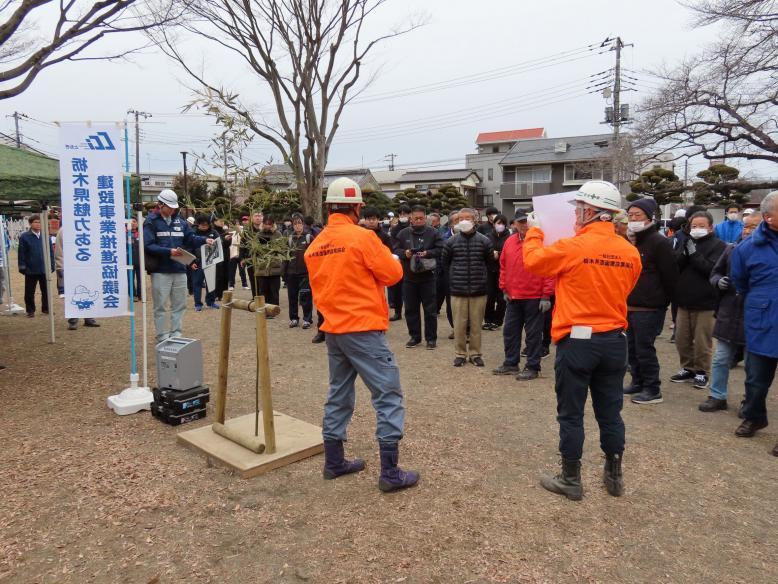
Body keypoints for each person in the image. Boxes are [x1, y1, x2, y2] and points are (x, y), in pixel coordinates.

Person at [523, 180, 641, 500]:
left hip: (578, 340)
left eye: (578, 210)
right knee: (610, 412)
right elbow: (625, 289)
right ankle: (614, 475)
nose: (575, 216)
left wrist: (534, 230)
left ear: (590, 211)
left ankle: (571, 478)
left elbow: (533, 262)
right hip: (615, 340)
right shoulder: (630, 252)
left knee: (571, 413)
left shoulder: (574, 247)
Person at [305, 177, 419, 492]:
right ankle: (390, 473)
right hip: (363, 328)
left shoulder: (315, 246)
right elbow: (393, 274)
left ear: (329, 207)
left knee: (339, 394)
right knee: (388, 395)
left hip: (333, 330)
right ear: (357, 207)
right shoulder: (363, 238)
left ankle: (334, 461)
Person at [730, 191, 778, 452]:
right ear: (769, 217)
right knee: (756, 380)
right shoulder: (748, 248)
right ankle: (755, 417)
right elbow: (741, 282)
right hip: (763, 319)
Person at [700, 212, 762, 412]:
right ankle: (717, 395)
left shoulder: (770, 252)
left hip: (755, 318)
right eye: (746, 227)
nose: (748, 231)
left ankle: (750, 402)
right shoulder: (731, 250)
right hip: (729, 312)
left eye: (753, 227)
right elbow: (715, 273)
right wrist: (719, 281)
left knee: (753, 367)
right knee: (720, 359)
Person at [623, 198, 678, 405]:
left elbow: (670, 275)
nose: (633, 219)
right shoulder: (631, 241)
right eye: (630, 215)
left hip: (650, 305)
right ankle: (637, 381)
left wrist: (665, 303)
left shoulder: (658, 241)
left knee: (645, 348)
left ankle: (652, 388)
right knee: (632, 347)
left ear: (649, 217)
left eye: (638, 215)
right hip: (630, 304)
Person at [144, 190, 213, 343]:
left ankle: (176, 334)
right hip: (160, 270)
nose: (172, 210)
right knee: (160, 306)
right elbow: (148, 245)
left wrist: (204, 240)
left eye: (174, 207)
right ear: (160, 204)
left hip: (180, 269)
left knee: (179, 305)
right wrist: (168, 251)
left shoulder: (180, 222)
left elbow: (190, 238)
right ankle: (162, 336)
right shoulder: (151, 221)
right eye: (169, 207)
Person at [493, 210, 554, 380]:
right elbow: (503, 266)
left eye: (527, 221)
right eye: (520, 221)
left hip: (535, 296)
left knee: (533, 334)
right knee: (510, 331)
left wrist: (546, 295)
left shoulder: (542, 242)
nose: (524, 225)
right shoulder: (510, 241)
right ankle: (511, 363)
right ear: (515, 223)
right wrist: (504, 287)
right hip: (514, 296)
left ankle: (533, 366)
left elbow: (550, 269)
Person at [670, 211, 727, 389]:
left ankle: (702, 372)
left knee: (702, 340)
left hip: (706, 302)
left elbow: (710, 269)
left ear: (710, 227)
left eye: (702, 226)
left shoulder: (719, 245)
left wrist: (694, 255)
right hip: (684, 300)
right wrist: (684, 253)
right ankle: (688, 367)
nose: (697, 229)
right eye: (694, 226)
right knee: (681, 339)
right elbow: (676, 265)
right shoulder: (686, 242)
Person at [442, 208, 494, 367]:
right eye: (460, 218)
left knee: (477, 324)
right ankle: (460, 353)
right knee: (459, 324)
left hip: (479, 289)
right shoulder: (450, 242)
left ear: (475, 220)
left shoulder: (485, 241)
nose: (464, 221)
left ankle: (475, 353)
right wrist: (453, 280)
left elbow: (489, 262)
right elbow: (445, 264)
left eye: (468, 218)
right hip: (458, 289)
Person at [393, 205, 444, 349]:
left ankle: (431, 338)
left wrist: (427, 253)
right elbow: (395, 249)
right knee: (410, 308)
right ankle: (414, 337)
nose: (419, 220)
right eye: (416, 218)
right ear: (411, 219)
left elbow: (441, 248)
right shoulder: (403, 234)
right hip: (409, 277)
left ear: (426, 218)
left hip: (428, 276)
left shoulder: (433, 232)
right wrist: (405, 253)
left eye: (422, 218)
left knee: (430, 309)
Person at [54, 229, 100, 330]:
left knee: (88, 290)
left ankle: (89, 317)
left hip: (87, 266)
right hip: (70, 266)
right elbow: (59, 250)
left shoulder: (88, 227)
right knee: (72, 294)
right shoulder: (63, 230)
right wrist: (60, 266)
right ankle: (73, 319)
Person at [241, 215, 283, 306]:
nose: (267, 226)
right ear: (263, 224)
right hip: (261, 268)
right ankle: (264, 309)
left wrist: (273, 249)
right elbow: (253, 252)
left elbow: (282, 249)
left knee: (274, 291)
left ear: (273, 224)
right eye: (266, 224)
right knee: (263, 290)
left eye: (270, 224)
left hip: (273, 267)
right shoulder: (258, 234)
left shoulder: (278, 234)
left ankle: (274, 309)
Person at [17, 215, 53, 318]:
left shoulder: (46, 236)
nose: (38, 224)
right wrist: (22, 266)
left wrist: (52, 264)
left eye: (40, 222)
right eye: (36, 222)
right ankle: (30, 310)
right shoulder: (24, 237)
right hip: (31, 269)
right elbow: (21, 253)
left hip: (44, 268)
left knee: (46, 290)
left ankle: (46, 308)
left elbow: (50, 251)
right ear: (30, 223)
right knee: (29, 292)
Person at [285, 213, 314, 328]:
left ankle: (307, 319)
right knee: (292, 296)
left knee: (306, 296)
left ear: (303, 224)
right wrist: (284, 273)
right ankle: (293, 318)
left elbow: (314, 255)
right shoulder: (290, 238)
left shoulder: (308, 237)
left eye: (299, 223)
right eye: (295, 223)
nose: (297, 226)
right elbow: (285, 257)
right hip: (291, 273)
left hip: (305, 273)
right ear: (292, 225)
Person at [483, 214, 510, 331]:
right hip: (489, 270)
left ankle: (497, 321)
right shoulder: (487, 236)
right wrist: (491, 254)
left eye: (502, 223)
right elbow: (484, 252)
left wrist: (497, 254)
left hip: (504, 271)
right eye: (498, 223)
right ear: (493, 224)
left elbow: (509, 253)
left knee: (501, 298)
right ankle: (488, 320)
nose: (500, 225)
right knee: (489, 297)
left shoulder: (509, 237)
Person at [190, 214, 221, 312]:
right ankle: (198, 303)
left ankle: (211, 301)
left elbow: (219, 244)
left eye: (205, 224)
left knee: (211, 283)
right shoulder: (193, 233)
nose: (203, 226)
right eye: (201, 224)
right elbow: (189, 247)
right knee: (197, 283)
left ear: (209, 224)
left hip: (211, 261)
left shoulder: (214, 232)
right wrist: (191, 262)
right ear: (197, 224)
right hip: (197, 262)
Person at [388, 205, 411, 321]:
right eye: (401, 214)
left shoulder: (413, 227)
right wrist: (403, 253)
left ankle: (409, 311)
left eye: (405, 214)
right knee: (396, 289)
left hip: (412, 262)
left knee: (409, 290)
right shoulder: (395, 229)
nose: (403, 216)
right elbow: (393, 246)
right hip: (398, 261)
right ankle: (397, 312)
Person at [228, 217, 249, 290]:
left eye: (238, 223)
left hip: (241, 254)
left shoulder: (243, 231)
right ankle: (231, 285)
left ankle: (244, 284)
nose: (237, 225)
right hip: (232, 254)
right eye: (235, 224)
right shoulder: (230, 232)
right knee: (232, 271)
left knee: (242, 270)